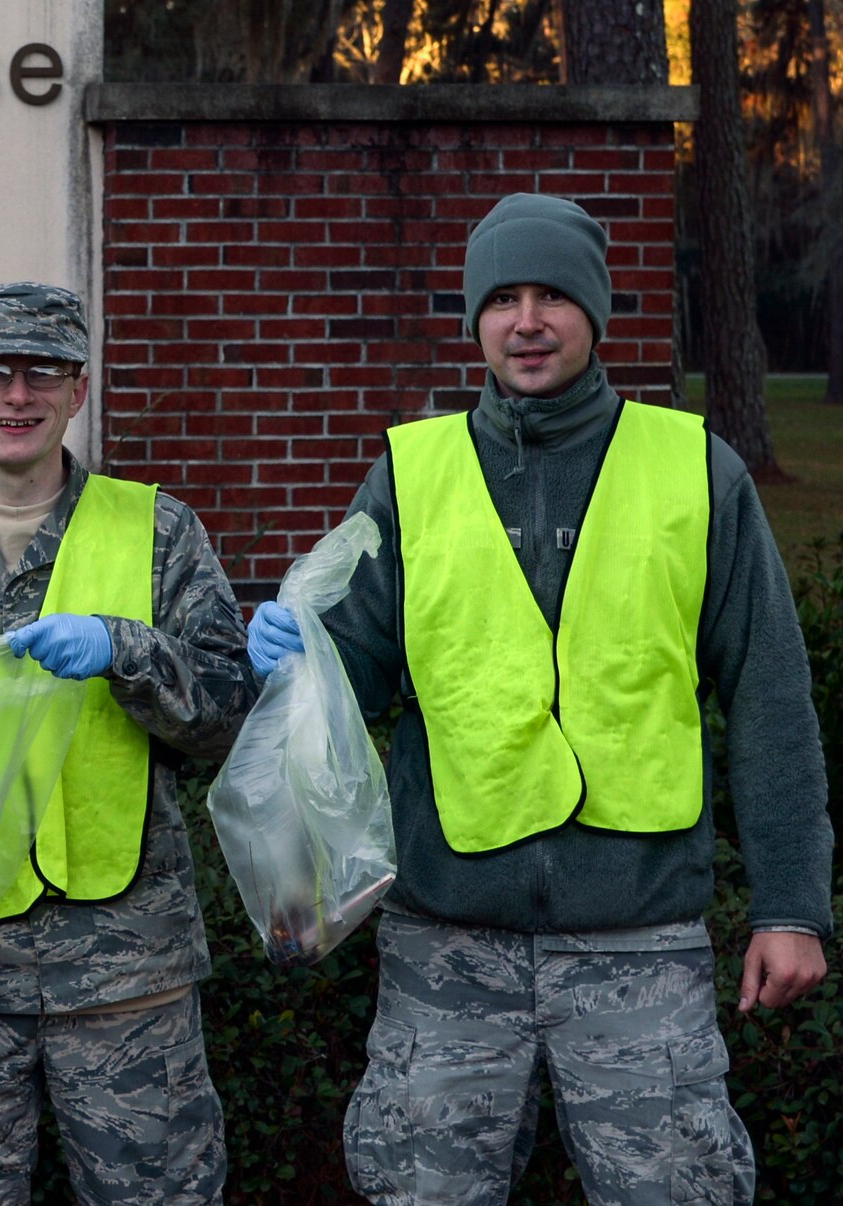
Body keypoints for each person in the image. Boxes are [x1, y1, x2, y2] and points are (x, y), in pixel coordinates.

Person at [248, 193, 833, 1203]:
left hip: (637, 939)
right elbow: (347, 694)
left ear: (594, 313)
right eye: (502, 297)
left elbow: (771, 699)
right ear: (473, 317)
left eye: (553, 295)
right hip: (446, 945)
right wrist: (298, 656)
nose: (526, 320)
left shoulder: (695, 469)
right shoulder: (407, 474)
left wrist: (788, 905)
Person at [0, 282, 256, 1204]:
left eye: (43, 372)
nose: (16, 395)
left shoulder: (158, 532)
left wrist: (129, 649)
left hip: (124, 977)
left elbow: (230, 714)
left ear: (80, 388)